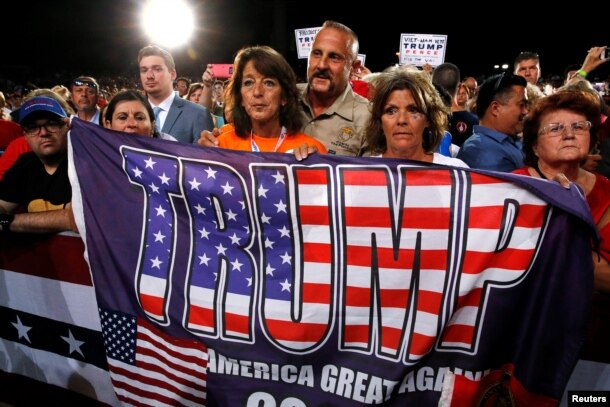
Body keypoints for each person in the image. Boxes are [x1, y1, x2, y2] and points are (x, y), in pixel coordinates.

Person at [513, 90, 609, 292]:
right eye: (555, 128)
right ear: (535, 146)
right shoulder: (513, 187)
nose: (569, 135)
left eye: (579, 127)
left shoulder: (606, 191)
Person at [200, 46, 326, 160]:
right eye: (248, 83)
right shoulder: (221, 145)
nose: (257, 92)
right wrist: (200, 154)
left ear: (284, 97)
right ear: (241, 98)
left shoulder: (311, 152)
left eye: (268, 83)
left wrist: (312, 166)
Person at [0, 96, 75, 233]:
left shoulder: (86, 163)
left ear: (66, 127)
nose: (44, 133)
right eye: (33, 127)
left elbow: (75, 218)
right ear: (26, 136)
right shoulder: (24, 164)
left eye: (52, 124)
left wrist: (7, 221)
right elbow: (3, 205)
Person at [364, 70, 468, 167]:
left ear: (428, 119)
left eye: (413, 110)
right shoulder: (363, 174)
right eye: (391, 111)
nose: (401, 120)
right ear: (379, 120)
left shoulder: (457, 171)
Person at [299, 20, 370, 156]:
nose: (322, 65)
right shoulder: (284, 98)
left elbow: (372, 176)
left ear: (353, 68)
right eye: (317, 53)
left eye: (334, 57)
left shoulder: (368, 119)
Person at [138, 44, 214, 144]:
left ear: (173, 74)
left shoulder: (198, 114)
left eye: (157, 69)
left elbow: (203, 157)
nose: (149, 76)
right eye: (144, 70)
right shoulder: (131, 115)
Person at [457, 73, 528, 172]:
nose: (526, 111)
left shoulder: (507, 140)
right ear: (495, 109)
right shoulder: (481, 151)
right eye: (521, 105)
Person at [103, 89, 177, 141]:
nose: (131, 124)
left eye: (140, 118)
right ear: (108, 125)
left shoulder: (172, 150)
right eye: (122, 117)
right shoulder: (96, 156)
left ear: (152, 126)